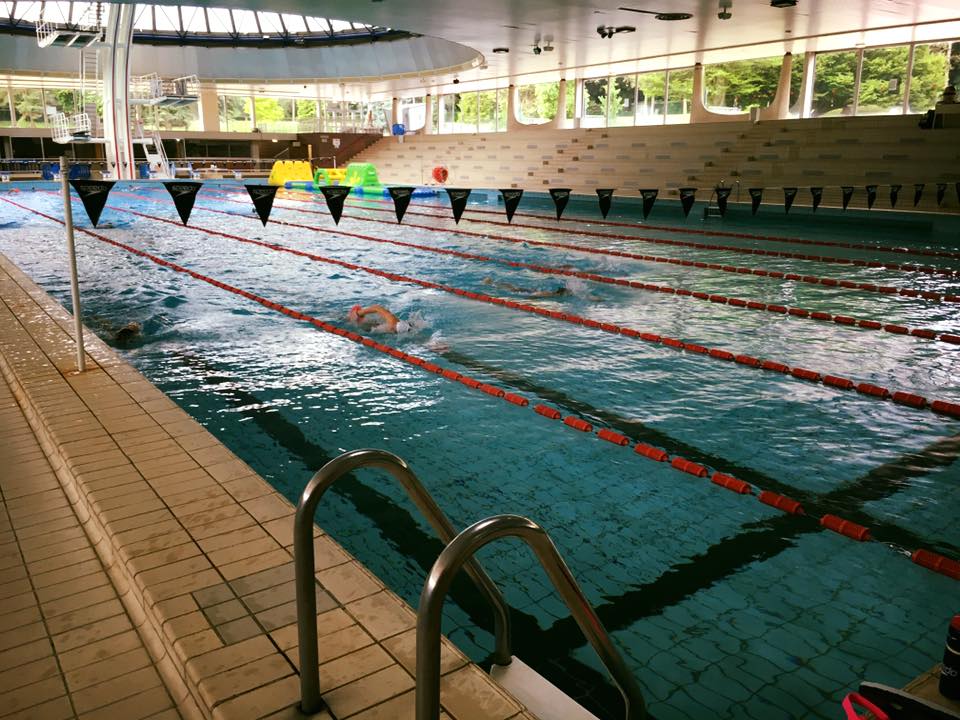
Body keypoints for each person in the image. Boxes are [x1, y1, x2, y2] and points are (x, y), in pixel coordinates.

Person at [481, 276, 571, 298]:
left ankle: (491, 282)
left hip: (527, 290)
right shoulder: (549, 294)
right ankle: (490, 282)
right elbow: (535, 295)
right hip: (526, 292)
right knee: (512, 289)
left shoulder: (551, 294)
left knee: (512, 287)